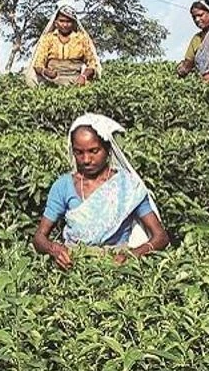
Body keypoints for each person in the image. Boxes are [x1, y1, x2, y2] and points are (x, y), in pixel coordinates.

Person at [33, 113, 169, 269]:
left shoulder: (127, 186)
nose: (86, 159)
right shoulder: (63, 186)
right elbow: (39, 237)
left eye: (94, 151)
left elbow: (160, 237)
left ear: (108, 149)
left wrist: (133, 255)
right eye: (79, 152)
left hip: (116, 264)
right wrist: (54, 250)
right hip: (74, 263)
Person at [26, 5, 102, 87]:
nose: (65, 25)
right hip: (52, 80)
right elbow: (38, 64)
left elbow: (92, 63)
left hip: (76, 79)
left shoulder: (81, 39)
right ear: (55, 23)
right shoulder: (48, 39)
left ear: (73, 23)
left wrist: (83, 76)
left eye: (68, 21)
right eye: (61, 21)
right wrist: (46, 72)